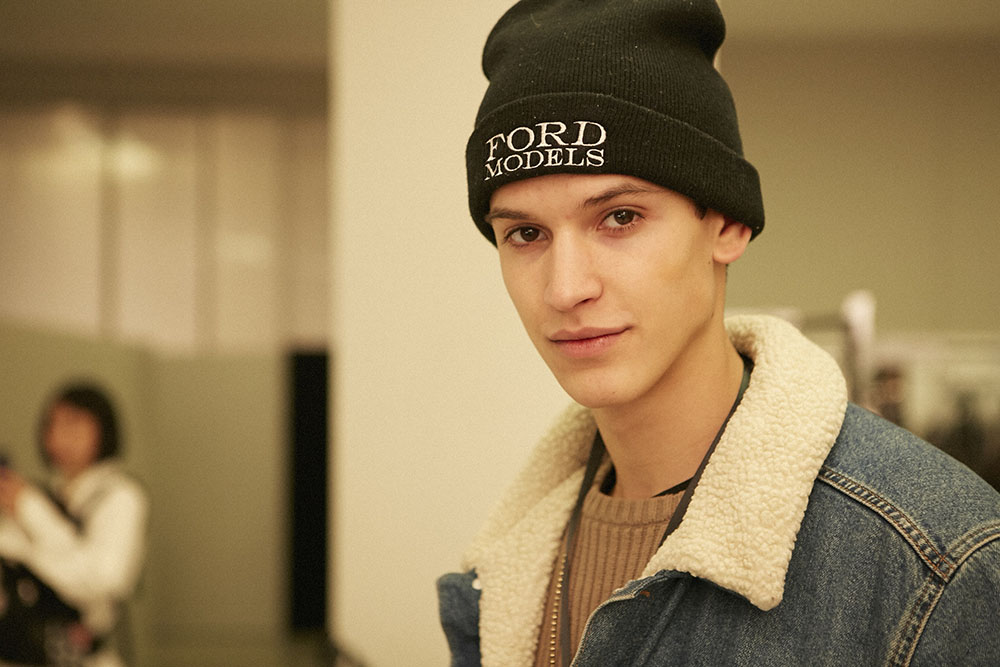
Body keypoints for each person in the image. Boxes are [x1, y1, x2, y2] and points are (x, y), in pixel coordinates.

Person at [437, 1, 1000, 665]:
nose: (565, 288)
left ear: (728, 223)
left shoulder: (937, 562)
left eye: (620, 217)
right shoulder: (506, 568)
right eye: (526, 233)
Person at [0, 382, 148, 667]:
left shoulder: (120, 496)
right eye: (52, 424)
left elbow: (100, 580)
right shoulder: (41, 494)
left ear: (102, 429)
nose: (60, 436)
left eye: (74, 424)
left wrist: (30, 516)